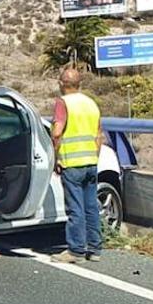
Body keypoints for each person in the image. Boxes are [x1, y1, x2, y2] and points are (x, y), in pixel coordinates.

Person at [51, 67, 104, 263]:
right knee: (91, 206)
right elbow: (99, 134)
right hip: (90, 162)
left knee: (75, 208)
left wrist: (56, 157)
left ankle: (75, 250)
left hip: (72, 163)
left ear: (61, 83)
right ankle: (95, 248)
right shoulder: (91, 104)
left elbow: (57, 132)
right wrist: (94, 157)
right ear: (79, 84)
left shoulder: (63, 103)